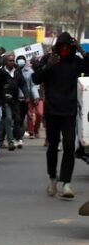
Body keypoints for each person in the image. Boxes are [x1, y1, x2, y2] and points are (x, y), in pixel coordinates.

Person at [32, 32, 89, 198]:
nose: (64, 50)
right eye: (61, 46)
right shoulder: (49, 60)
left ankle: (66, 183)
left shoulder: (76, 62)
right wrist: (47, 66)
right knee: (53, 147)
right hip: (52, 110)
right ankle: (52, 178)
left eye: (67, 47)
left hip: (70, 111)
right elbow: (35, 79)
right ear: (57, 47)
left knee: (70, 147)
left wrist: (80, 48)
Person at [1, 53, 31, 150]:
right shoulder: (1, 72)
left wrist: (26, 95)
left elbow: (23, 84)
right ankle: (10, 141)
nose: (12, 62)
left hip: (15, 100)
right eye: (10, 61)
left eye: (13, 60)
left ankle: (18, 138)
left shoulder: (17, 71)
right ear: (5, 62)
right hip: (5, 100)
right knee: (8, 119)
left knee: (18, 119)